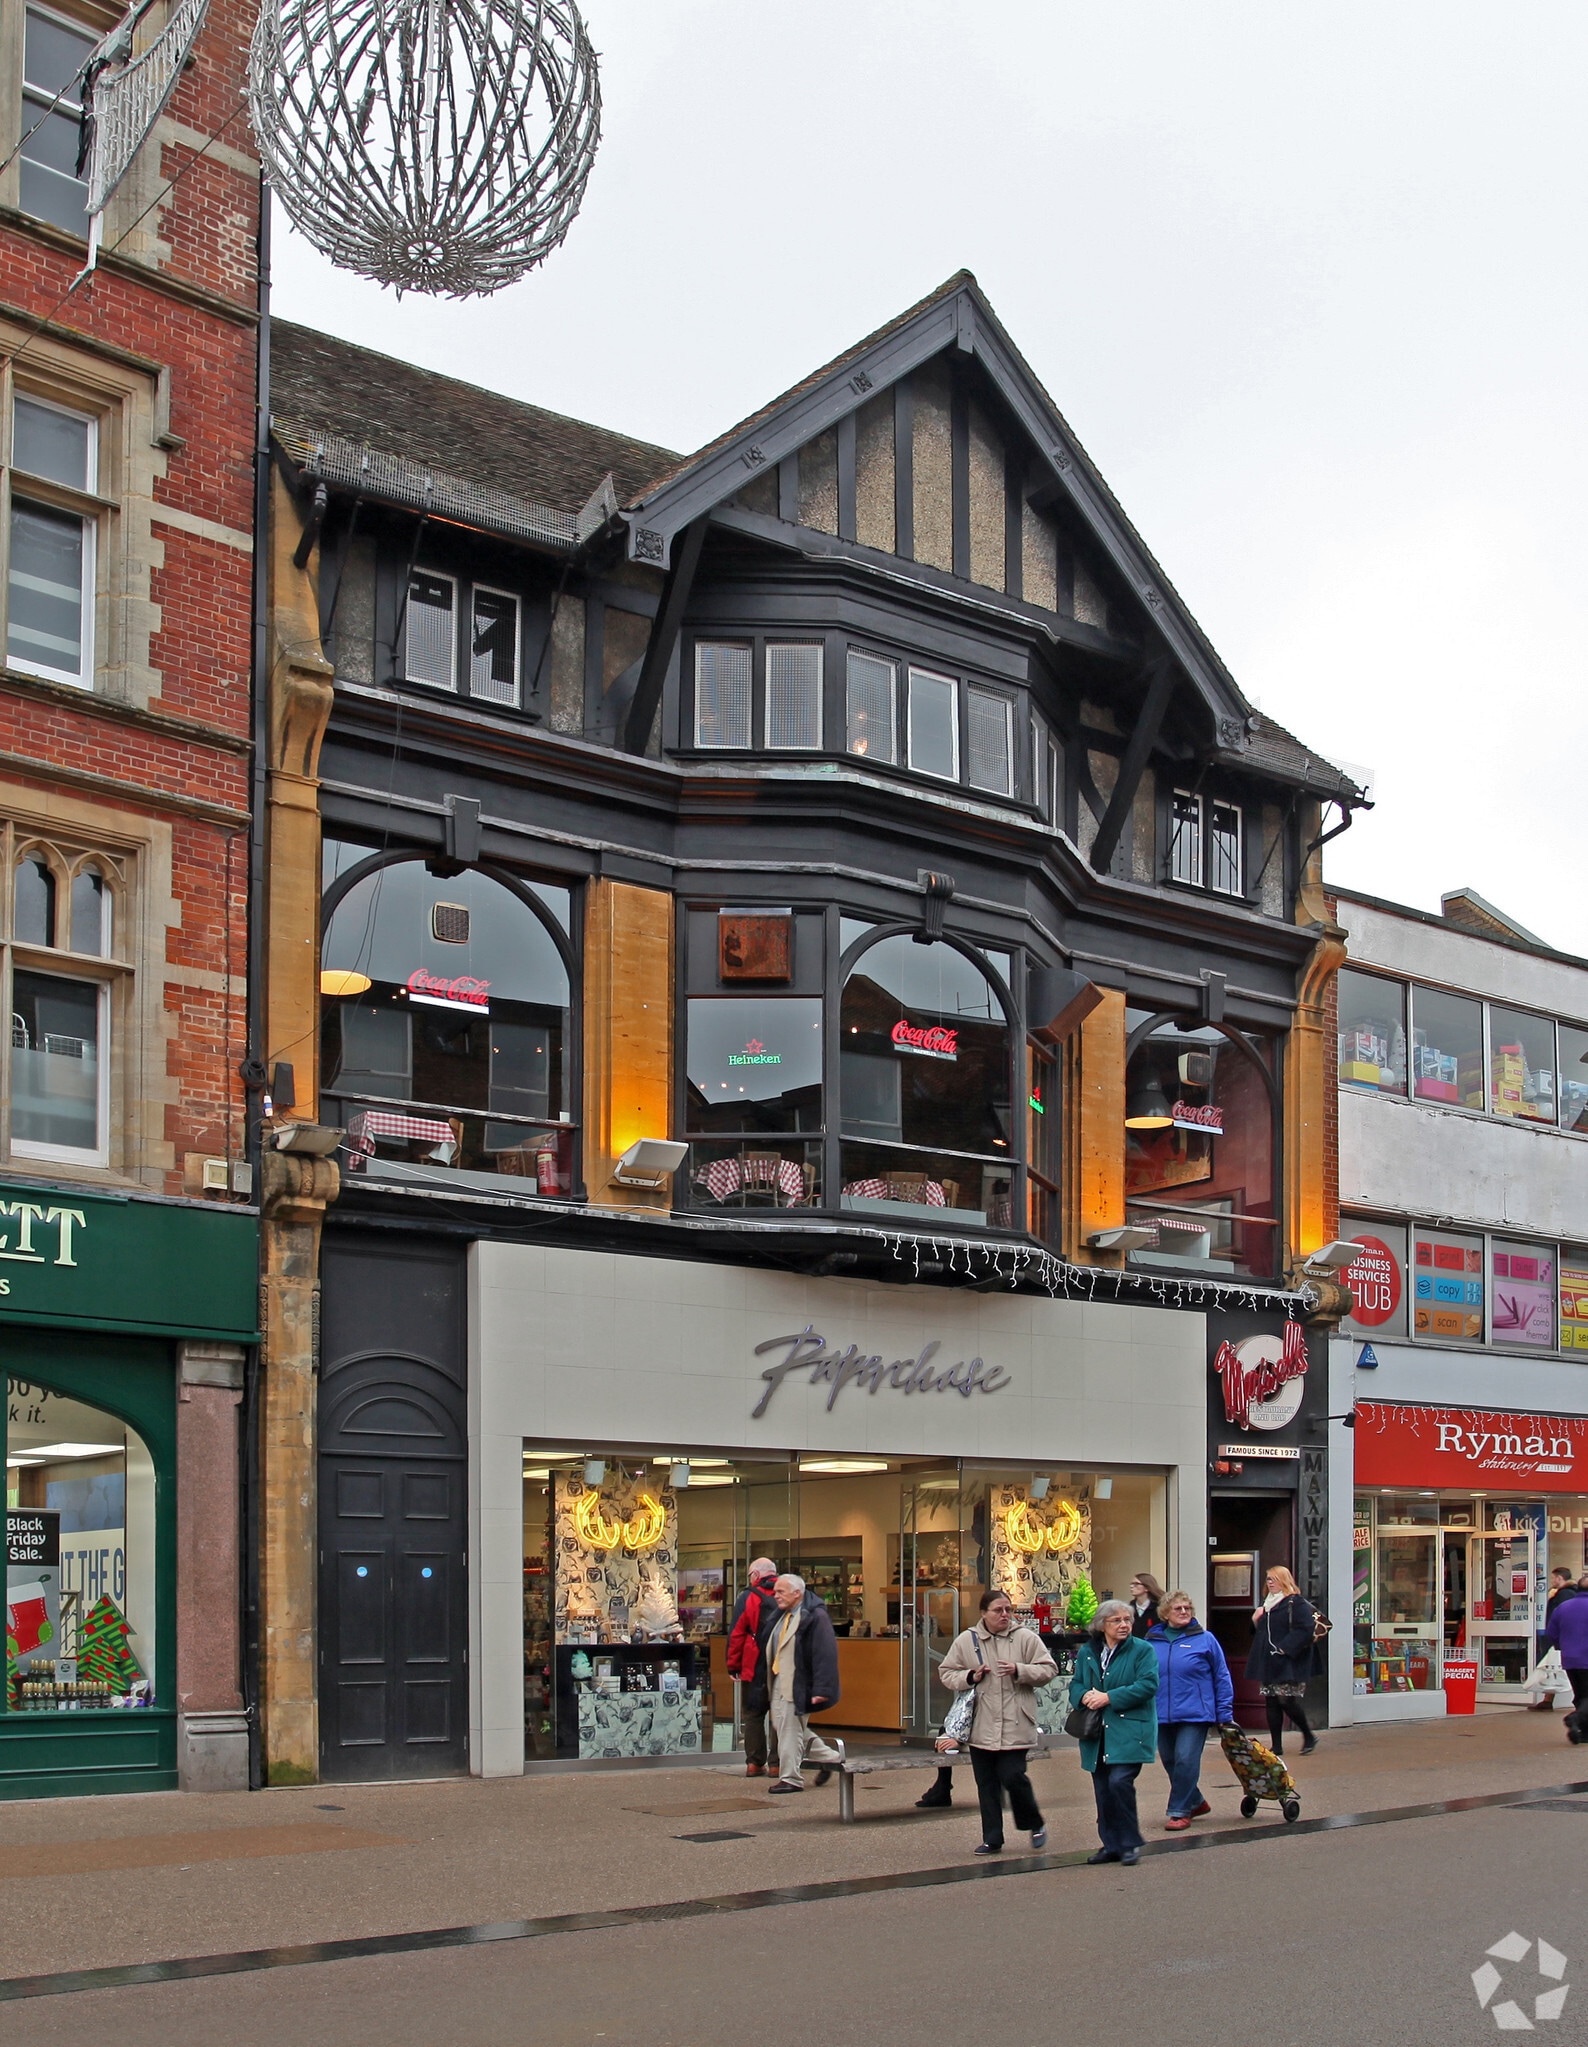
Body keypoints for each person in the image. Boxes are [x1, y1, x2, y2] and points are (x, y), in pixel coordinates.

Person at [939, 1588, 1057, 1855]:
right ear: (983, 1613)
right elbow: (946, 1673)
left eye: (1008, 1610)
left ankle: (1033, 1821)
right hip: (981, 1723)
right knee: (987, 1784)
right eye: (998, 1610)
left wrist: (1020, 1670)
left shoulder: (1025, 1638)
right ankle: (992, 1838)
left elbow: (1049, 1669)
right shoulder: (966, 1640)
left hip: (1016, 1722)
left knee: (1013, 1776)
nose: (1005, 1615)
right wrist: (970, 1676)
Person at [1070, 1597, 1159, 1865]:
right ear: (1101, 1625)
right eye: (1117, 1620)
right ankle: (1110, 1844)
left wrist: (1108, 1697)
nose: (1124, 1625)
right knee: (1103, 1790)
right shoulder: (1088, 1651)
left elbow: (1148, 1684)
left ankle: (1130, 1843)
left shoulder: (1142, 1650)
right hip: (1098, 1734)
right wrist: (1084, 1695)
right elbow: (1075, 1684)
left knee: (1119, 1782)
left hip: (1130, 1731)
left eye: (1127, 1620)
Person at [1148, 1590, 1234, 1830]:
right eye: (1178, 1608)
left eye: (1187, 1608)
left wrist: (1224, 1713)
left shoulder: (1205, 1639)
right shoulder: (1150, 1642)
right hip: (1161, 1712)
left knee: (1186, 1759)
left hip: (1196, 1712)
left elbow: (1222, 1676)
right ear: (1165, 1614)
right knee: (1170, 1761)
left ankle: (1179, 1812)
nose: (1184, 1612)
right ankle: (1195, 1801)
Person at [762, 1574, 843, 1793]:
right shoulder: (782, 1614)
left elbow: (824, 1654)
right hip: (779, 1679)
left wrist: (821, 1689)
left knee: (789, 1728)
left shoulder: (815, 1616)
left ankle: (790, 1778)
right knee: (784, 1726)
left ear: (797, 1593)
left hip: (798, 1681)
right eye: (775, 1591)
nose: (775, 1595)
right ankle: (831, 1758)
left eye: (781, 1592)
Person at [1245, 1565, 1320, 1757]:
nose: (1269, 1583)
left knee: (1286, 1700)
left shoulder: (1295, 1602)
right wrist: (1255, 1620)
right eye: (1268, 1579)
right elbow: (1261, 1632)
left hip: (1288, 1660)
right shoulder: (1266, 1604)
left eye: (1274, 1579)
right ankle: (1276, 1746)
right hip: (1269, 1660)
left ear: (1284, 1580)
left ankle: (1308, 1735)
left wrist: (1285, 1647)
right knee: (1271, 1701)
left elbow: (1305, 1629)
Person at [726, 1558, 781, 1776]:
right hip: (781, 1662)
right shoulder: (787, 1593)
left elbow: (737, 1634)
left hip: (754, 1664)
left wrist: (733, 1666)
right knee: (780, 1714)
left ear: (756, 1576)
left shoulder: (747, 1597)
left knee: (754, 1714)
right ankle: (777, 1763)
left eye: (750, 1575)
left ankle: (755, 1763)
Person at [1545, 1579, 1588, 1730]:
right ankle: (1575, 1719)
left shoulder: (1563, 1607)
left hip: (1569, 1658)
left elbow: (1551, 1632)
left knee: (1580, 1695)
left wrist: (1561, 1646)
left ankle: (1581, 1732)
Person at [1129, 1573, 1164, 1638]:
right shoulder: (1129, 1608)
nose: (1131, 1586)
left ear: (1147, 1588)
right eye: (1131, 1584)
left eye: (1136, 1584)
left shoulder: (1159, 1607)